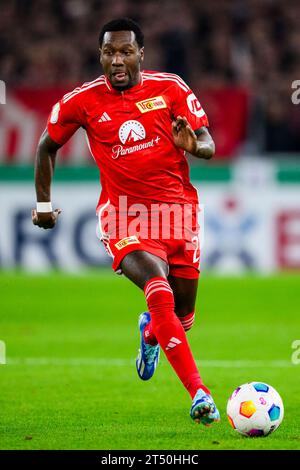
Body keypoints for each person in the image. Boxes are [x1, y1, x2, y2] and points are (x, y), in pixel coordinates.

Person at [32, 17, 220, 426]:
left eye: (125, 51)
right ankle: (199, 393)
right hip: (124, 216)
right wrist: (43, 205)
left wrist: (196, 147)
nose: (117, 60)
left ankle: (151, 332)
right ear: (100, 55)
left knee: (183, 317)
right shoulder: (81, 101)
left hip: (177, 212)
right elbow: (47, 146)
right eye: (109, 52)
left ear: (141, 54)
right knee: (157, 288)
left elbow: (207, 140)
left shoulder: (170, 87)